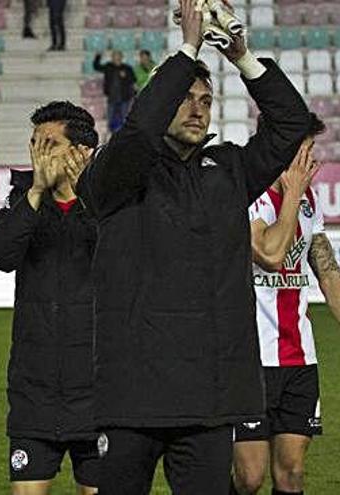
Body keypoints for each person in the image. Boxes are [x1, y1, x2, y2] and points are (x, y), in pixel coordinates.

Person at [75, 0, 312, 492]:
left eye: (205, 100)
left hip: (208, 400)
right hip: (130, 398)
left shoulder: (229, 170)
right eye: (184, 97)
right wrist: (187, 47)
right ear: (159, 99)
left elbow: (291, 125)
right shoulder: (114, 173)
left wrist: (244, 58)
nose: (197, 108)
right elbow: (139, 131)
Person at [0, 102, 98, 495]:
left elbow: (124, 255)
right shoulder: (22, 199)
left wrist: (89, 194)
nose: (38, 152)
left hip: (99, 392)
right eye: (34, 142)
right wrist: (34, 191)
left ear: (83, 151)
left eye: (49, 143)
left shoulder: (113, 199)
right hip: (35, 393)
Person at [232, 116, 340, 495]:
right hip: (250, 361)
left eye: (312, 148)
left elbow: (327, 271)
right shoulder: (249, 196)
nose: (310, 159)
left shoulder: (310, 203)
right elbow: (269, 255)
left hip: (299, 360)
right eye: (303, 149)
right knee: (249, 477)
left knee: (291, 473)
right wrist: (292, 194)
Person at [92, 50, 136, 134]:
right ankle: (110, 135)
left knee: (125, 118)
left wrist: (125, 76)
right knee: (110, 118)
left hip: (124, 98)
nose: (116, 58)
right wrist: (98, 57)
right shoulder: (108, 66)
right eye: (114, 56)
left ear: (121, 57)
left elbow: (133, 80)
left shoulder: (127, 68)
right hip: (112, 97)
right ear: (112, 58)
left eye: (118, 56)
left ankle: (124, 135)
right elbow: (96, 67)